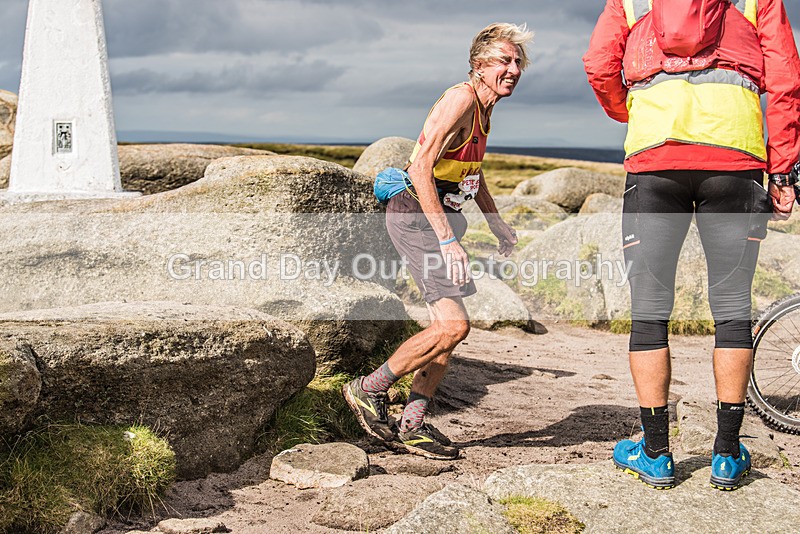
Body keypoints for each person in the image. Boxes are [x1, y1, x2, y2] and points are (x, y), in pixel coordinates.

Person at [584, 0, 800, 490]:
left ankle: (656, 453)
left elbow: (599, 65)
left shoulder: (629, 1)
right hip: (737, 158)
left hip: (654, 161)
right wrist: (783, 170)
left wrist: (631, 110)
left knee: (649, 307)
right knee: (731, 306)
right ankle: (726, 454)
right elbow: (786, 81)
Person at [343, 22, 533, 460]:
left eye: (518, 62)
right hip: (417, 219)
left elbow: (470, 169)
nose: (514, 69)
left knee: (448, 331)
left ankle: (412, 424)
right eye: (505, 60)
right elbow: (421, 166)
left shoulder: (484, 107)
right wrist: (448, 240)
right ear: (479, 65)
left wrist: (495, 221)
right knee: (453, 325)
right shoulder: (462, 98)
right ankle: (367, 390)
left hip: (440, 221)